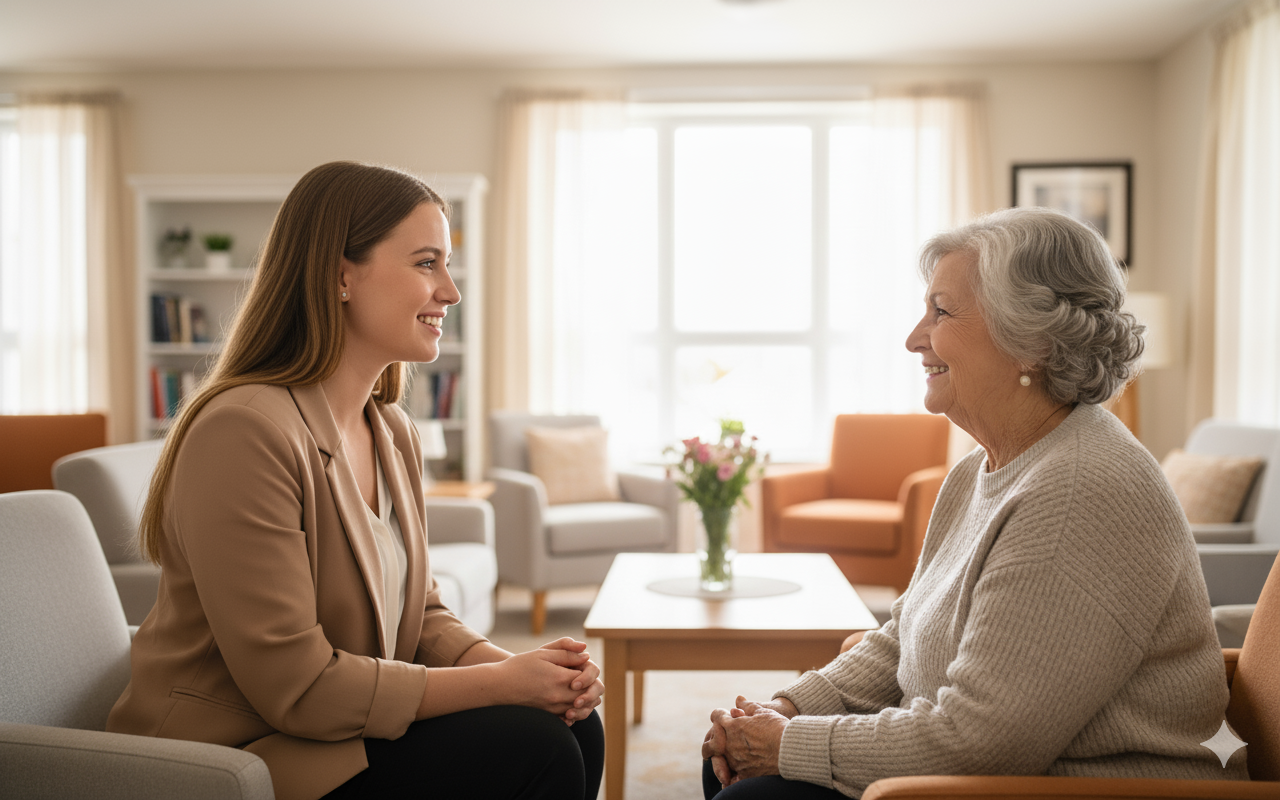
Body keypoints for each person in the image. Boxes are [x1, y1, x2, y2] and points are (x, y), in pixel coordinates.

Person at [700, 206, 1249, 798]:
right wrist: (785, 707)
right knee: (731, 772)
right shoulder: (982, 469)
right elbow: (903, 635)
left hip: (1067, 788)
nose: (915, 337)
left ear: (1030, 343)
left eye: (942, 311)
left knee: (751, 793)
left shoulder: (1078, 492)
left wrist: (787, 744)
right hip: (977, 774)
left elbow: (980, 740)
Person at [107, 161, 604, 800]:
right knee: (532, 747)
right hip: (238, 755)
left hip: (329, 735)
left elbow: (422, 619)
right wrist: (508, 686)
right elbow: (301, 688)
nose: (450, 291)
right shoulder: (244, 431)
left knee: (569, 726)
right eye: (427, 263)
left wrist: (532, 676)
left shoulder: (391, 430)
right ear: (341, 275)